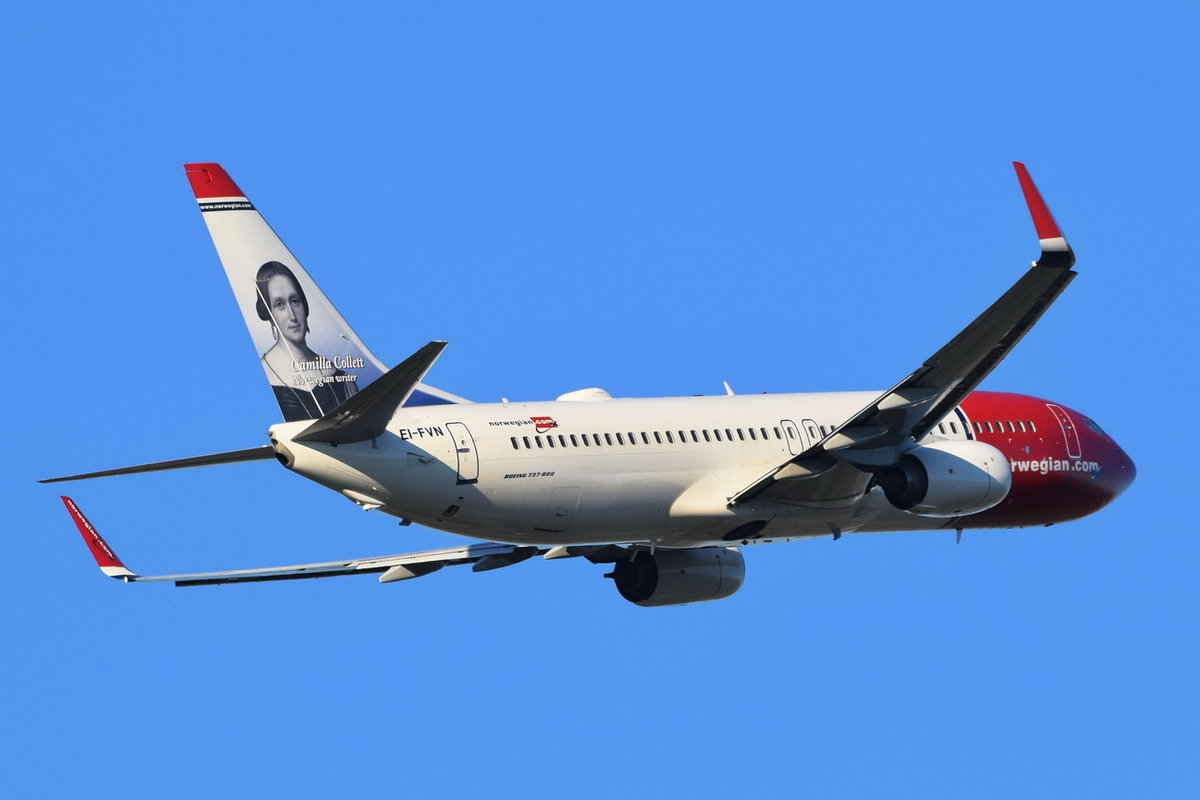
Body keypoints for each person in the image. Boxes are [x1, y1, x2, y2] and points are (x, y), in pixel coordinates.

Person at [254, 261, 359, 421]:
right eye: (279, 304)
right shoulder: (264, 377)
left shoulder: (339, 377)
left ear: (305, 305)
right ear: (270, 313)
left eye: (295, 301)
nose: (292, 315)